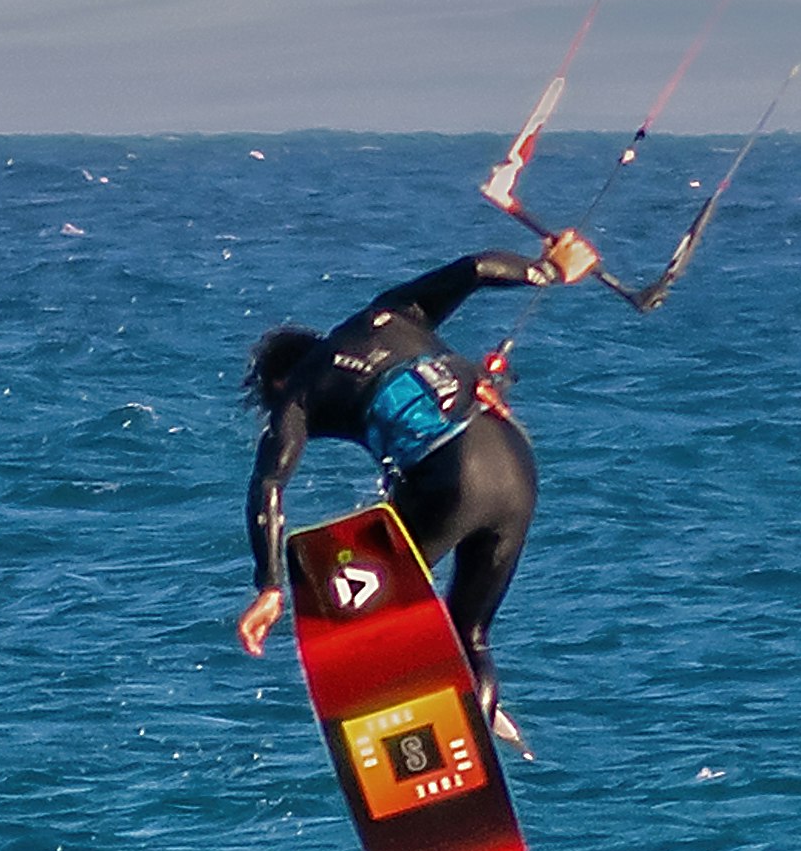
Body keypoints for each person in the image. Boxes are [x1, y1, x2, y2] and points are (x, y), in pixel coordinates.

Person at [239, 227, 595, 669]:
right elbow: (476, 268)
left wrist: (269, 587)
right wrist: (549, 269)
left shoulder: (299, 392)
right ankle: (474, 725)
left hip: (453, 476)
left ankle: (400, 719)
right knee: (470, 634)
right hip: (515, 463)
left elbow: (268, 483)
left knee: (354, 613)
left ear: (278, 381)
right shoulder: (391, 312)